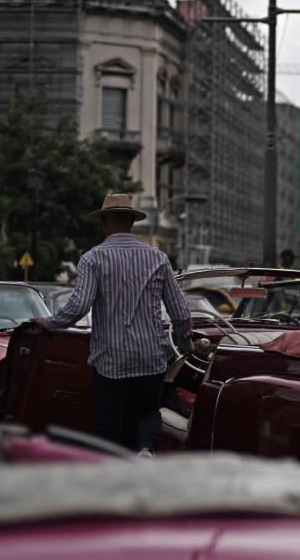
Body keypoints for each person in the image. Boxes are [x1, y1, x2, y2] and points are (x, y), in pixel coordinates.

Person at [32, 193, 192, 457]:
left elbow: (79, 307)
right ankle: (145, 449)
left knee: (107, 420)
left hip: (110, 358)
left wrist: (49, 322)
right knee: (148, 411)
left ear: (104, 222)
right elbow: (181, 313)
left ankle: (108, 462)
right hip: (150, 356)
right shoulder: (158, 258)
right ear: (131, 222)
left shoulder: (92, 259)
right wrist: (185, 345)